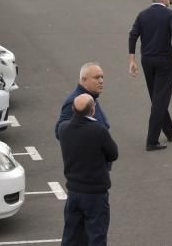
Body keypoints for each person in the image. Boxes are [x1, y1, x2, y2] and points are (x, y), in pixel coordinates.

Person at [58, 94, 118, 246]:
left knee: (71, 236)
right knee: (96, 236)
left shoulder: (64, 128)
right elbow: (113, 153)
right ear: (92, 110)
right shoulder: (98, 130)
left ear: (73, 109)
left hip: (73, 191)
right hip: (95, 193)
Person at [128, 0, 172, 151]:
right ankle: (152, 140)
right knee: (160, 99)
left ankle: (169, 129)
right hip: (165, 60)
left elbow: (133, 35)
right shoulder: (170, 15)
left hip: (147, 60)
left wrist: (132, 60)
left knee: (157, 96)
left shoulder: (143, 15)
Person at [56, 63, 109, 139]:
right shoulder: (76, 101)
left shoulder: (91, 96)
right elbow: (60, 131)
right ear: (84, 80)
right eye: (96, 78)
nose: (101, 81)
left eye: (102, 77)